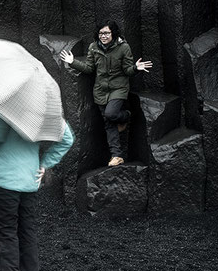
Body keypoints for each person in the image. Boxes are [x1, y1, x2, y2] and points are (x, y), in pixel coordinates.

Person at [0, 112, 74, 271]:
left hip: (6, 178)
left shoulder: (6, 106)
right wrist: (45, 163)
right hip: (30, 177)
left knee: (6, 230)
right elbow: (67, 139)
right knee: (26, 228)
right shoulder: (43, 107)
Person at [59, 20, 152, 166]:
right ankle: (117, 156)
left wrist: (135, 67)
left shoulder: (123, 47)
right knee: (109, 124)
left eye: (107, 33)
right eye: (101, 33)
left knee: (110, 114)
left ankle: (126, 116)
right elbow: (89, 68)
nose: (103, 36)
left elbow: (127, 70)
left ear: (113, 33)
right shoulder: (94, 47)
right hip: (101, 91)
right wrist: (73, 61)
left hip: (118, 89)